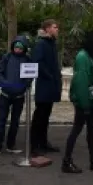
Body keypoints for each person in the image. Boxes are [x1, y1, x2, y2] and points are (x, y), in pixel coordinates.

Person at [62, 33, 93, 174]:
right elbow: (81, 83)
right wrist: (85, 105)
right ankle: (67, 161)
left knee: (90, 132)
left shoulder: (86, 56)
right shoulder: (83, 58)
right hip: (86, 102)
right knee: (77, 130)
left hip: (90, 101)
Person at [0, 36, 31, 157]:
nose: (17, 49)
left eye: (20, 47)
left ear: (24, 48)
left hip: (19, 96)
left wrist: (24, 86)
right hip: (5, 95)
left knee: (15, 122)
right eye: (15, 47)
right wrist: (5, 83)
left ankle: (11, 145)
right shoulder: (7, 57)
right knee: (1, 121)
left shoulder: (28, 59)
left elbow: (30, 75)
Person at [30, 19, 62, 155]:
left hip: (50, 85)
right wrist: (49, 76)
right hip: (44, 85)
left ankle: (43, 142)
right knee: (40, 116)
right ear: (47, 28)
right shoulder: (41, 44)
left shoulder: (51, 43)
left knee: (46, 116)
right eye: (55, 27)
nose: (57, 30)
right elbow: (37, 62)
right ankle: (34, 145)